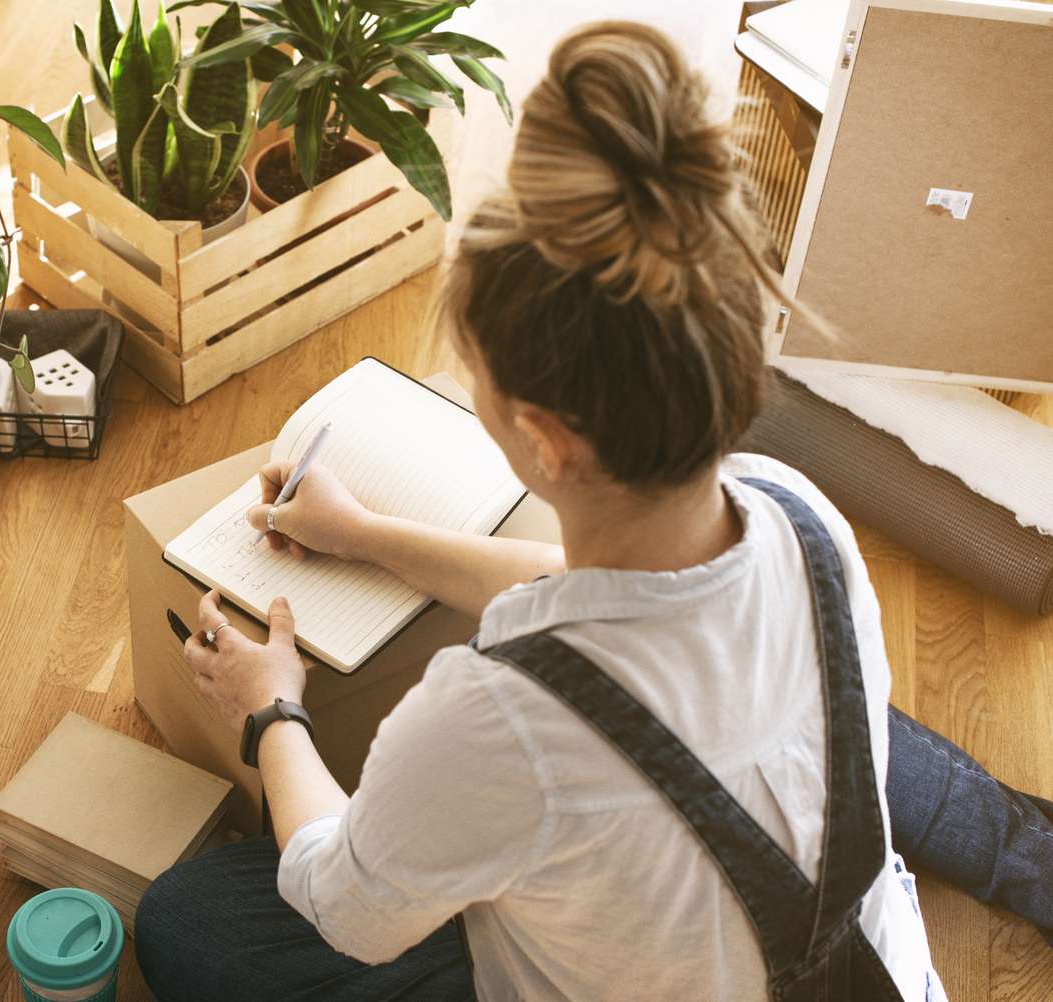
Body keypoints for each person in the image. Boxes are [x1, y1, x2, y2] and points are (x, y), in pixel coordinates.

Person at [135, 21, 1053, 1001]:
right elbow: (597, 603)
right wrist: (362, 535)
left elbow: (342, 907)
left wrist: (269, 707)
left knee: (186, 921)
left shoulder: (492, 720)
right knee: (798, 699)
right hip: (876, 974)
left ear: (546, 437)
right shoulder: (800, 514)